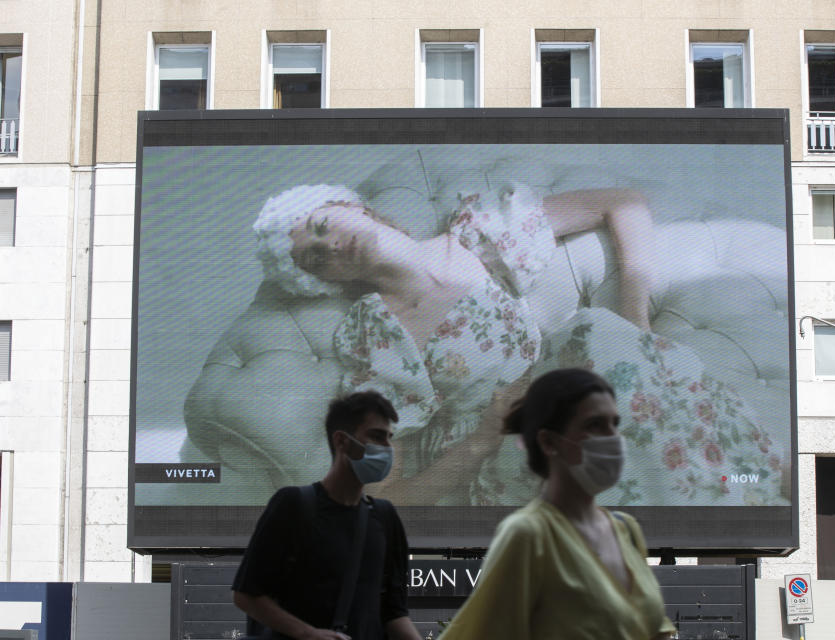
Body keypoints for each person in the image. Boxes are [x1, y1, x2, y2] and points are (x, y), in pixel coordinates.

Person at [186, 182, 655, 503]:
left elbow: (625, 204)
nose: (327, 246)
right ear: (320, 279)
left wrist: (637, 323)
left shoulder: (478, 234)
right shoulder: (372, 337)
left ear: (354, 207)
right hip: (512, 452)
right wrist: (485, 436)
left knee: (600, 338)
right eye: (312, 257)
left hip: (575, 400)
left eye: (324, 225)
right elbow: (385, 495)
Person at [439, 368, 677, 640]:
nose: (613, 438)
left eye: (614, 423)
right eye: (594, 425)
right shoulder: (529, 535)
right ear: (549, 442)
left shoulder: (627, 530)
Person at [231, 391, 422, 640]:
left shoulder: (385, 517)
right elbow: (246, 595)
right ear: (342, 441)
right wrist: (308, 634)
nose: (388, 448)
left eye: (389, 438)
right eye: (376, 436)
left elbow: (395, 613)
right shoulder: (293, 504)